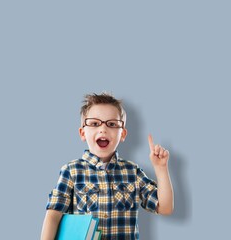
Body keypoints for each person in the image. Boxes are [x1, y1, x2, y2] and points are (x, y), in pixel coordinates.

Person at [41, 92, 174, 240]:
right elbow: (53, 215)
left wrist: (161, 169)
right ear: (82, 133)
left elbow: (165, 207)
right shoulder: (71, 171)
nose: (103, 129)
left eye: (111, 124)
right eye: (94, 123)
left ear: (122, 134)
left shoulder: (133, 172)